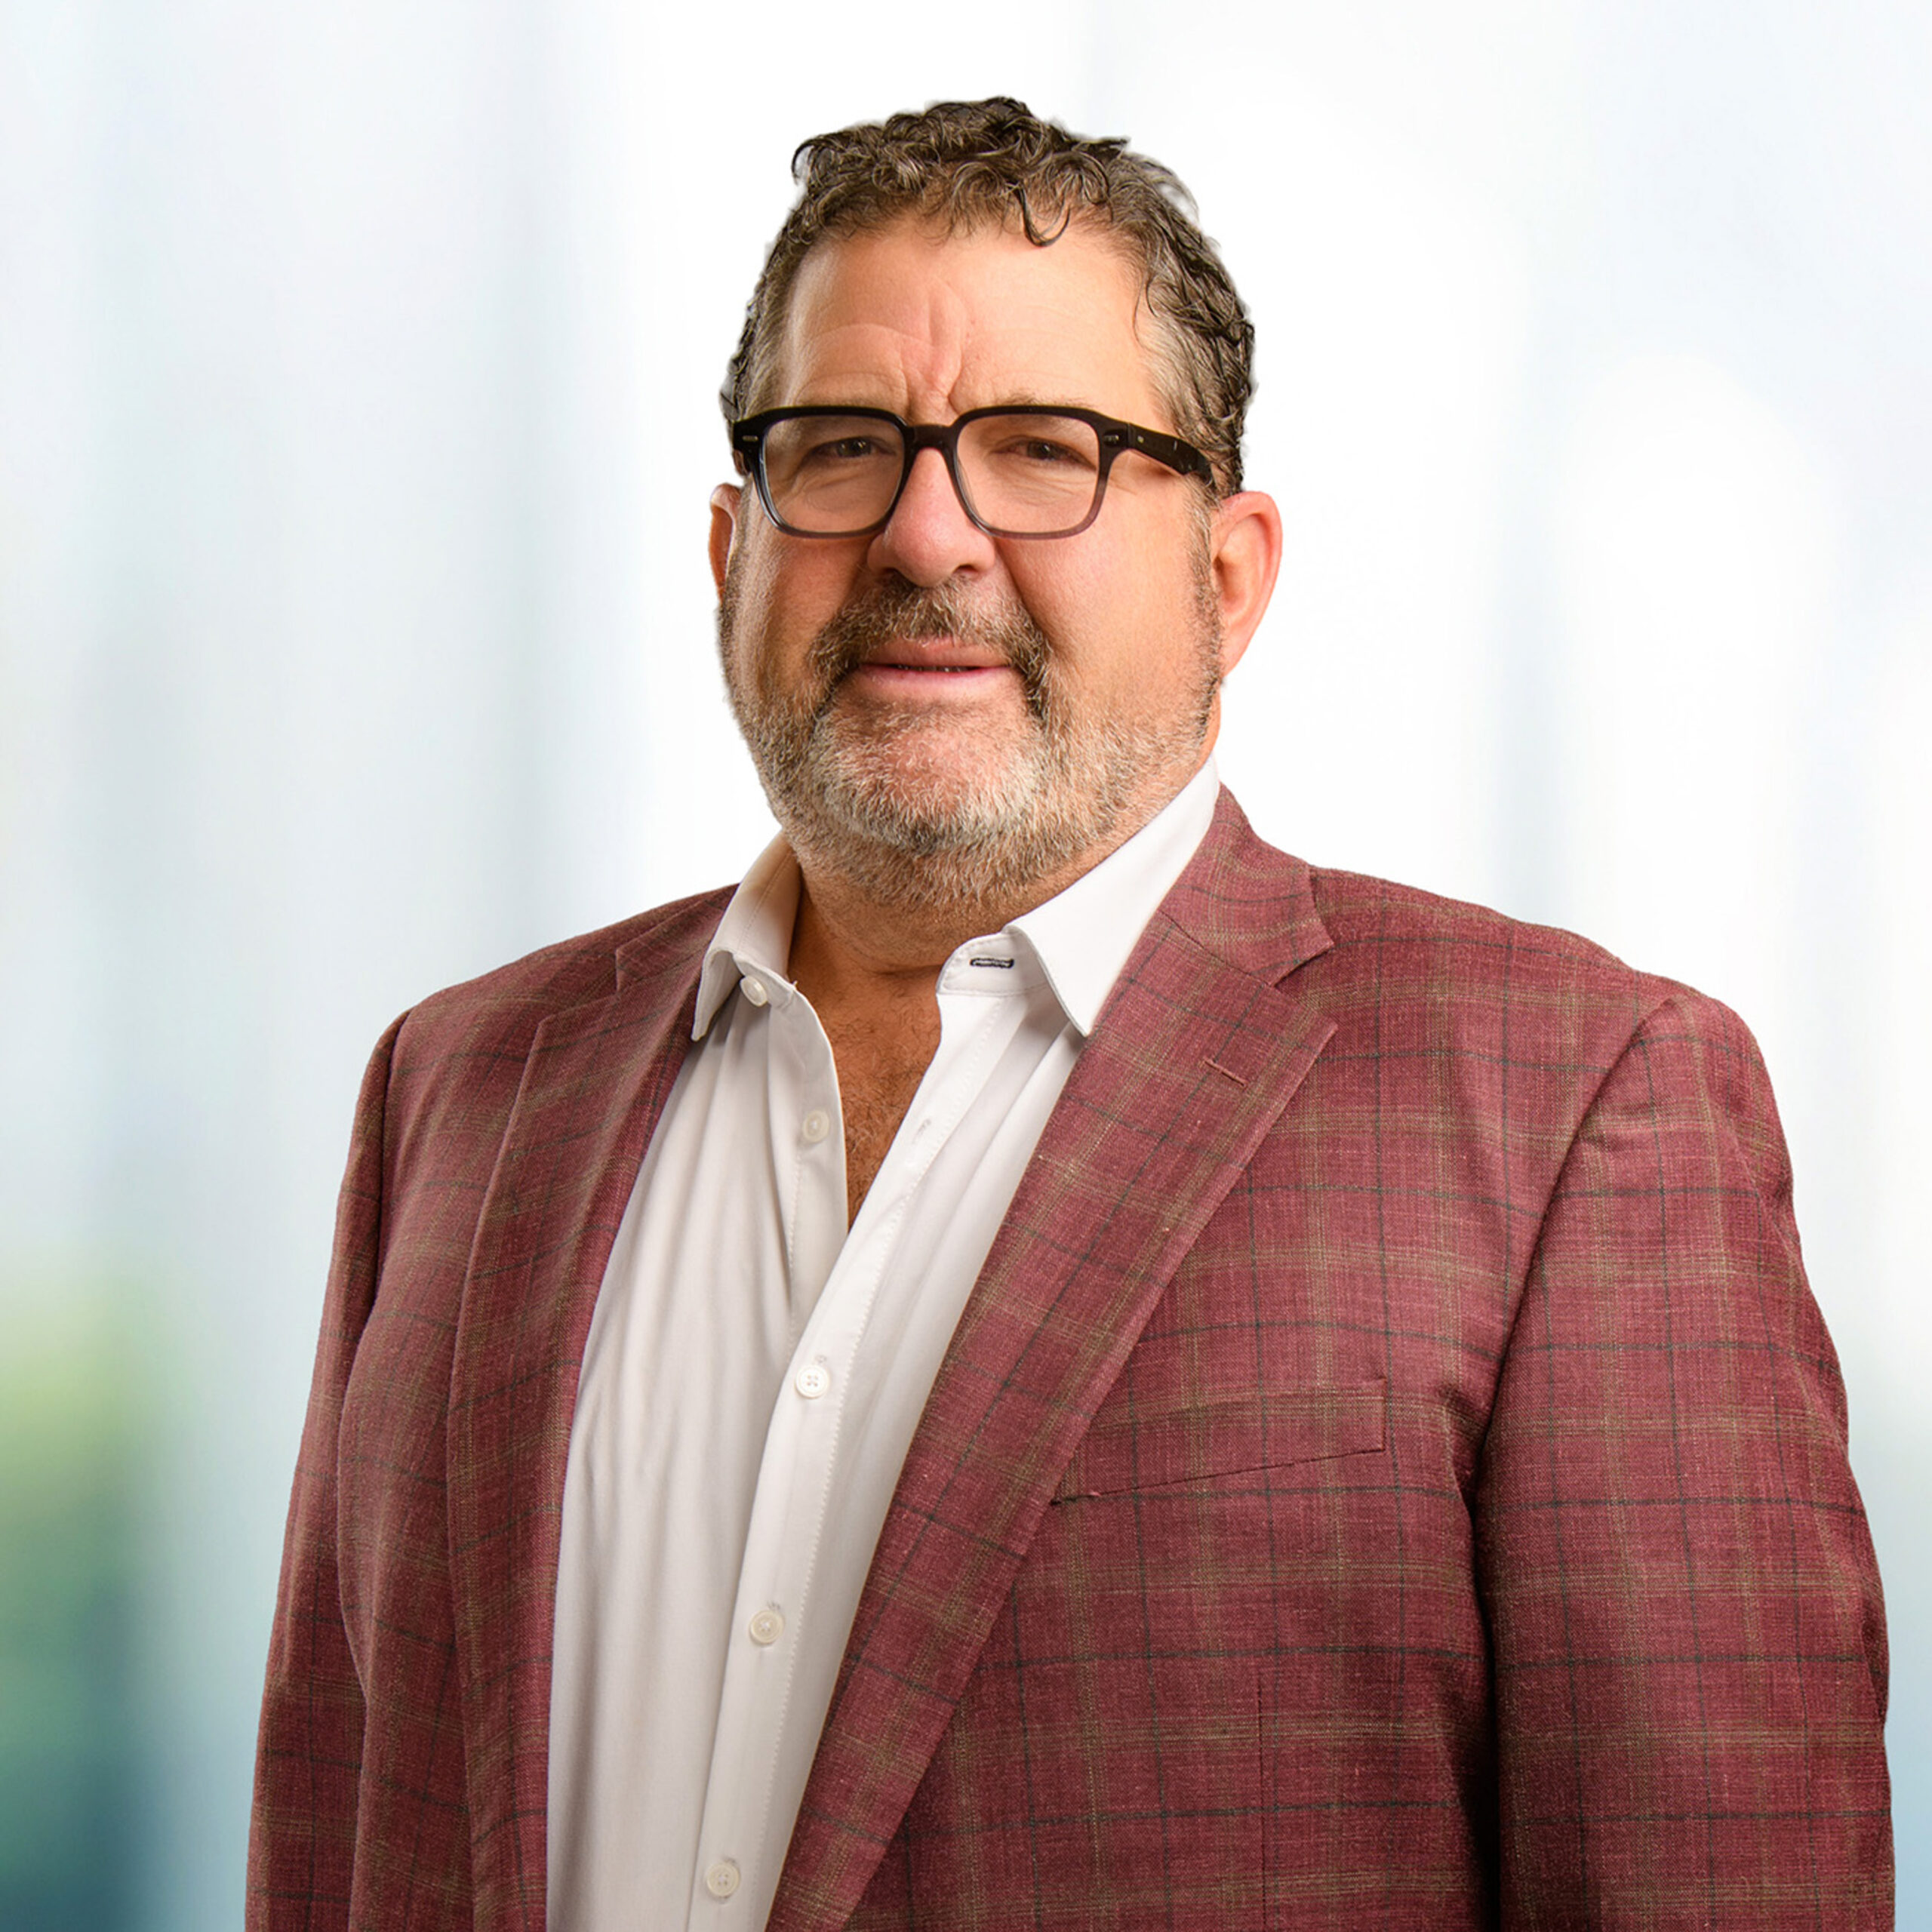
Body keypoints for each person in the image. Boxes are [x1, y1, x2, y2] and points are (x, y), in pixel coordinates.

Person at [249, 98, 1890, 1930]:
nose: (926, 532)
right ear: (729, 547)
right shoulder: (462, 1091)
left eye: (1044, 449)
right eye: (841, 446)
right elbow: (334, 1845)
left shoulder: (1571, 1113)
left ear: (1227, 572)